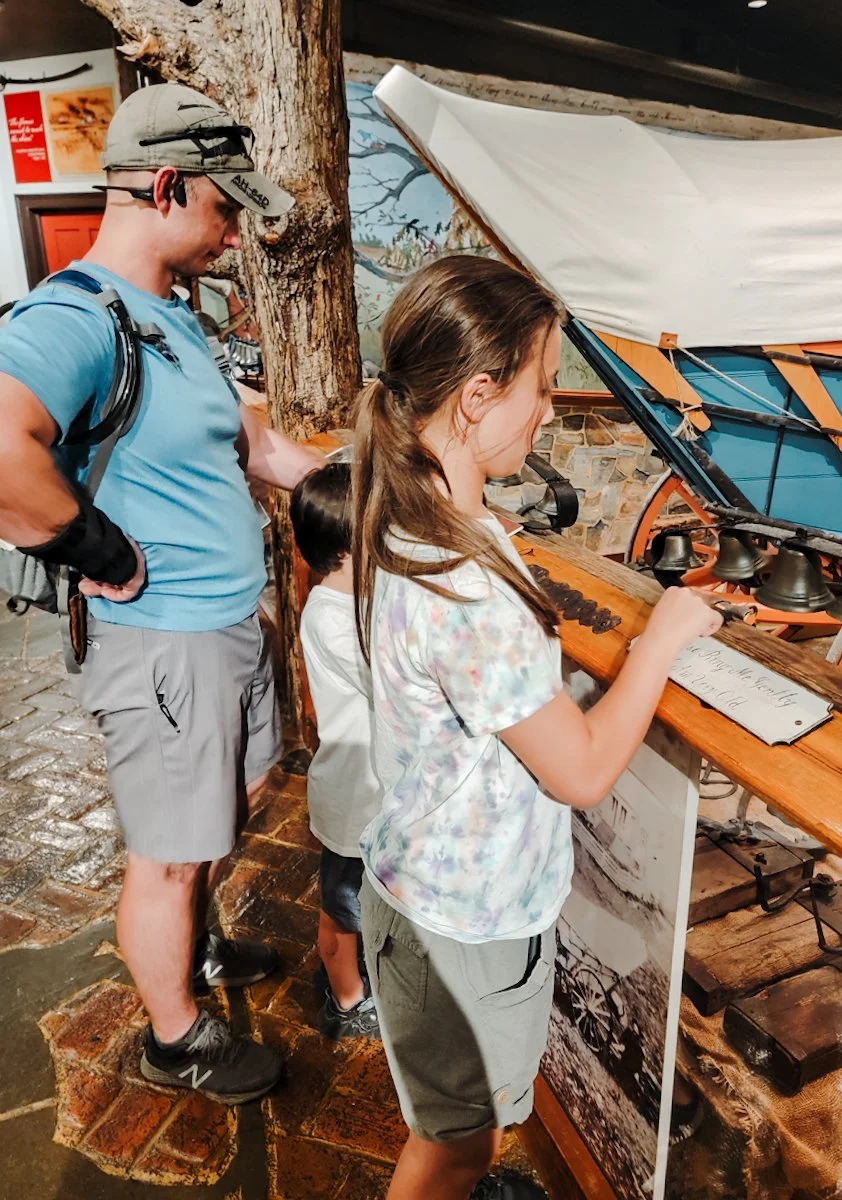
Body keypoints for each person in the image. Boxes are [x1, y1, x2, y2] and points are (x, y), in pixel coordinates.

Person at [351, 255, 724, 1200]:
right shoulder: (467, 586)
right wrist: (665, 635)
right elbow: (584, 771)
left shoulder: (412, 514)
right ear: (477, 396)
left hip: (417, 891)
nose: (553, 410)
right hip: (465, 932)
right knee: (455, 1147)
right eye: (544, 384)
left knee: (452, 1128)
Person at [0, 82, 324, 1105]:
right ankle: (176, 1036)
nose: (234, 230)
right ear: (168, 185)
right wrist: (99, 549)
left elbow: (260, 445)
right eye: (224, 205)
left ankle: (196, 949)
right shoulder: (76, 315)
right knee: (171, 854)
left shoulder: (170, 323)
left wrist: (373, 484)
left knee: (235, 805)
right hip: (162, 641)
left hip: (226, 630)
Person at [290, 461, 381, 1039]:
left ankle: (351, 975)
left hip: (364, 789)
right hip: (355, 796)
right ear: (349, 550)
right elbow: (388, 678)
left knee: (351, 893)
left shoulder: (346, 600)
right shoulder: (332, 619)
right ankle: (346, 999)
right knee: (341, 905)